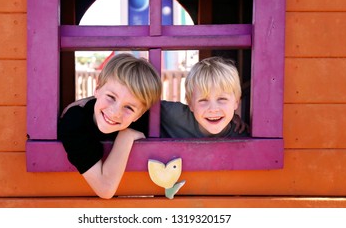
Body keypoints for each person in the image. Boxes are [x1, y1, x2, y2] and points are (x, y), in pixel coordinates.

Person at [58, 53, 161, 199]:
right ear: (97, 88)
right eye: (111, 97)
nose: (115, 112)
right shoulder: (74, 121)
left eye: (129, 108)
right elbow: (105, 189)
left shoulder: (145, 122)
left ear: (139, 115)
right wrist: (126, 136)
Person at [160, 56, 249, 138]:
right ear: (190, 103)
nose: (213, 109)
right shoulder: (173, 116)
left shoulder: (242, 135)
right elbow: (146, 103)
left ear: (236, 102)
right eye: (203, 100)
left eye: (222, 99)